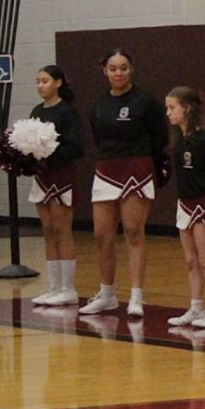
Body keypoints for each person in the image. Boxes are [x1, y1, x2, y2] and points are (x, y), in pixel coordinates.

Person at [80, 49, 168, 318]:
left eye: (123, 68)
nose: (118, 73)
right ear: (104, 71)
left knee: (132, 230)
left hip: (137, 168)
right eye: (113, 68)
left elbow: (159, 137)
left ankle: (136, 296)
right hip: (107, 168)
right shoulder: (97, 104)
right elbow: (97, 136)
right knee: (102, 235)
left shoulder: (145, 101)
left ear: (131, 69)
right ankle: (107, 294)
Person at [165, 86, 205, 329]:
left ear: (187, 108)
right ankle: (195, 308)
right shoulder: (179, 140)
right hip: (184, 203)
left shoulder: (204, 139)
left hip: (202, 202)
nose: (168, 113)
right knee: (190, 260)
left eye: (172, 108)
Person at [27, 65, 84, 307]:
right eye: (38, 81)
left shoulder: (68, 112)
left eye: (45, 81)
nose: (41, 85)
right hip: (42, 176)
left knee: (63, 230)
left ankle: (68, 288)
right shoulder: (36, 110)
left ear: (58, 83)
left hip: (61, 175)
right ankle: (53, 287)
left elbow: (76, 148)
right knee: (48, 231)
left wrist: (49, 150)